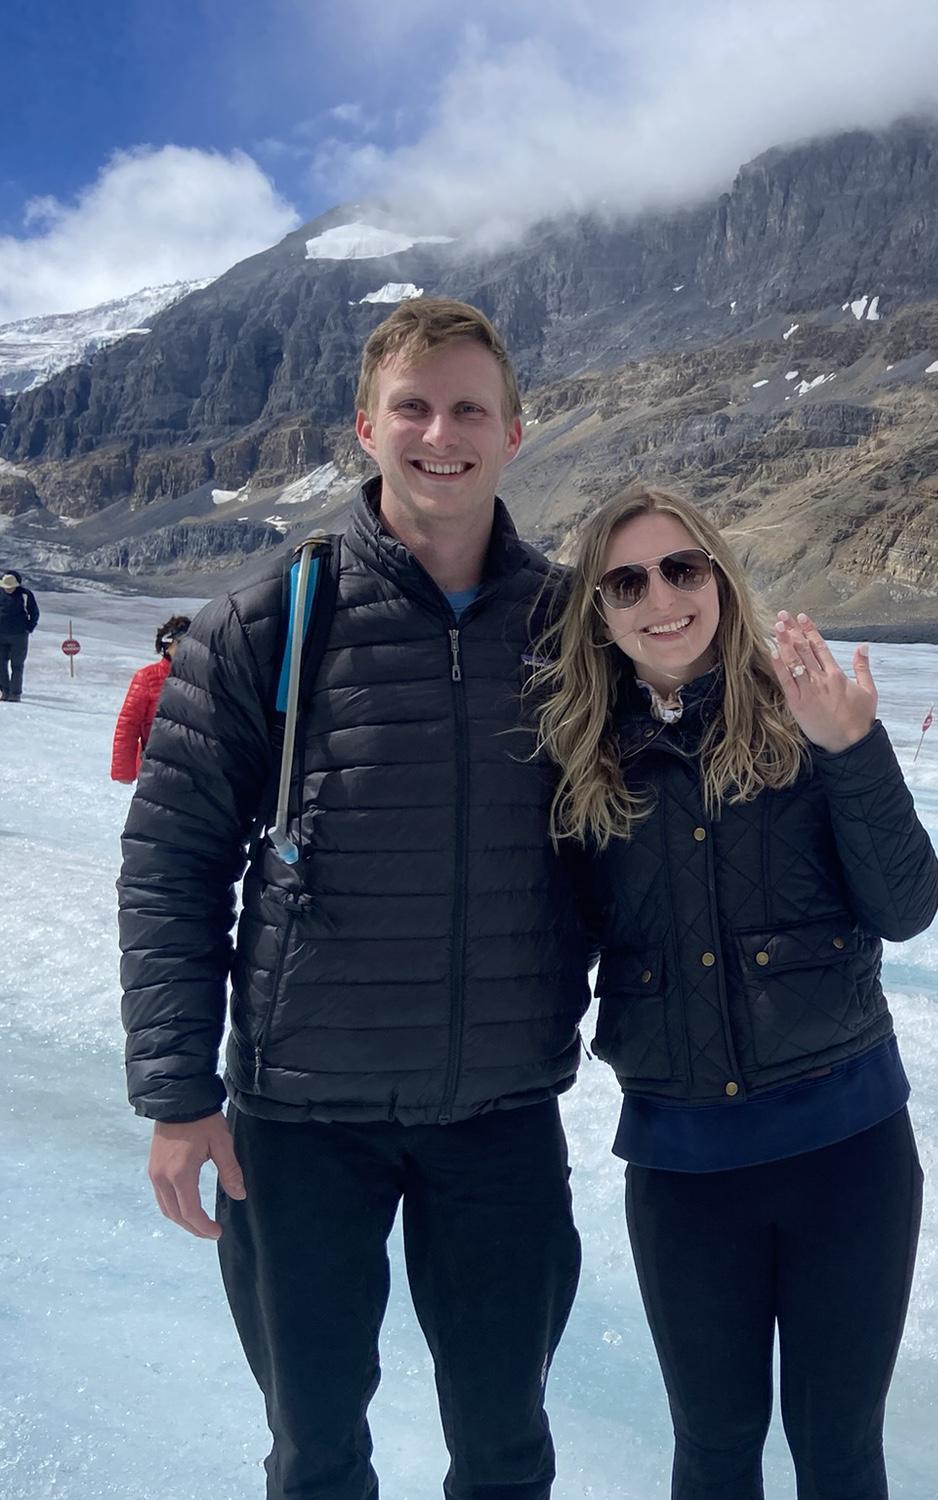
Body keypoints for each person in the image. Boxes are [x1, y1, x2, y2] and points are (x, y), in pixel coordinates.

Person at [118, 298, 591, 1500]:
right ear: (365, 430)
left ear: (514, 432)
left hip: (499, 1112)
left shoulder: (570, 629)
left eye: (469, 408)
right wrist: (177, 1093)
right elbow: (173, 863)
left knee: (506, 1448)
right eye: (413, 407)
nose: (442, 433)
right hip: (299, 1120)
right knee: (317, 1451)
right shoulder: (269, 622)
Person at [535, 485, 938, 1499]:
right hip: (685, 1172)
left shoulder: (806, 719)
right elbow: (551, 953)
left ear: (719, 577)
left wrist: (854, 750)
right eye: (627, 582)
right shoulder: (582, 763)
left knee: (839, 1452)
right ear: (599, 611)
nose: (661, 598)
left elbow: (907, 907)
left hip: (847, 1155)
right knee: (714, 1454)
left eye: (683, 569)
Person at [110, 614, 192, 782]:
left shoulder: (202, 677)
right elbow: (128, 724)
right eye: (180, 643)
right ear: (167, 646)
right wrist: (124, 771)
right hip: (156, 767)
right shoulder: (148, 677)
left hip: (195, 768)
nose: (186, 649)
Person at [0, 570, 40, 701]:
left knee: (17, 665)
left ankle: (15, 694)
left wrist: (28, 628)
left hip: (19, 636)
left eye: (11, 587)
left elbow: (34, 612)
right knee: (1, 665)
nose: (8, 589)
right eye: (6, 587)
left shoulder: (25, 595)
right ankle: (5, 691)